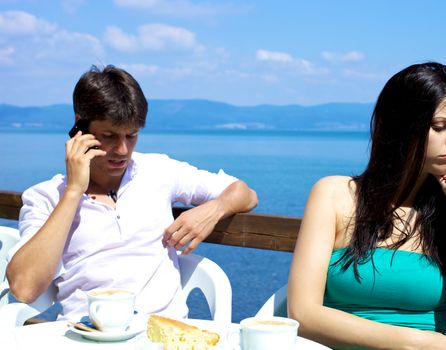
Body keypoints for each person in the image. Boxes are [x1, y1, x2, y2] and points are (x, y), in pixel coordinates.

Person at [288, 62, 446, 349]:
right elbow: (302, 314)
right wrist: (417, 343)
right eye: (439, 126)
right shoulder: (334, 195)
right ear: (400, 129)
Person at [6, 65, 258, 321]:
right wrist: (73, 192)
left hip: (161, 335)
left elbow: (246, 194)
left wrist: (212, 211)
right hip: (84, 336)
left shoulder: (158, 170)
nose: (123, 149)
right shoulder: (46, 196)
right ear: (79, 126)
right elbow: (25, 289)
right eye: (109, 136)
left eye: (132, 135)